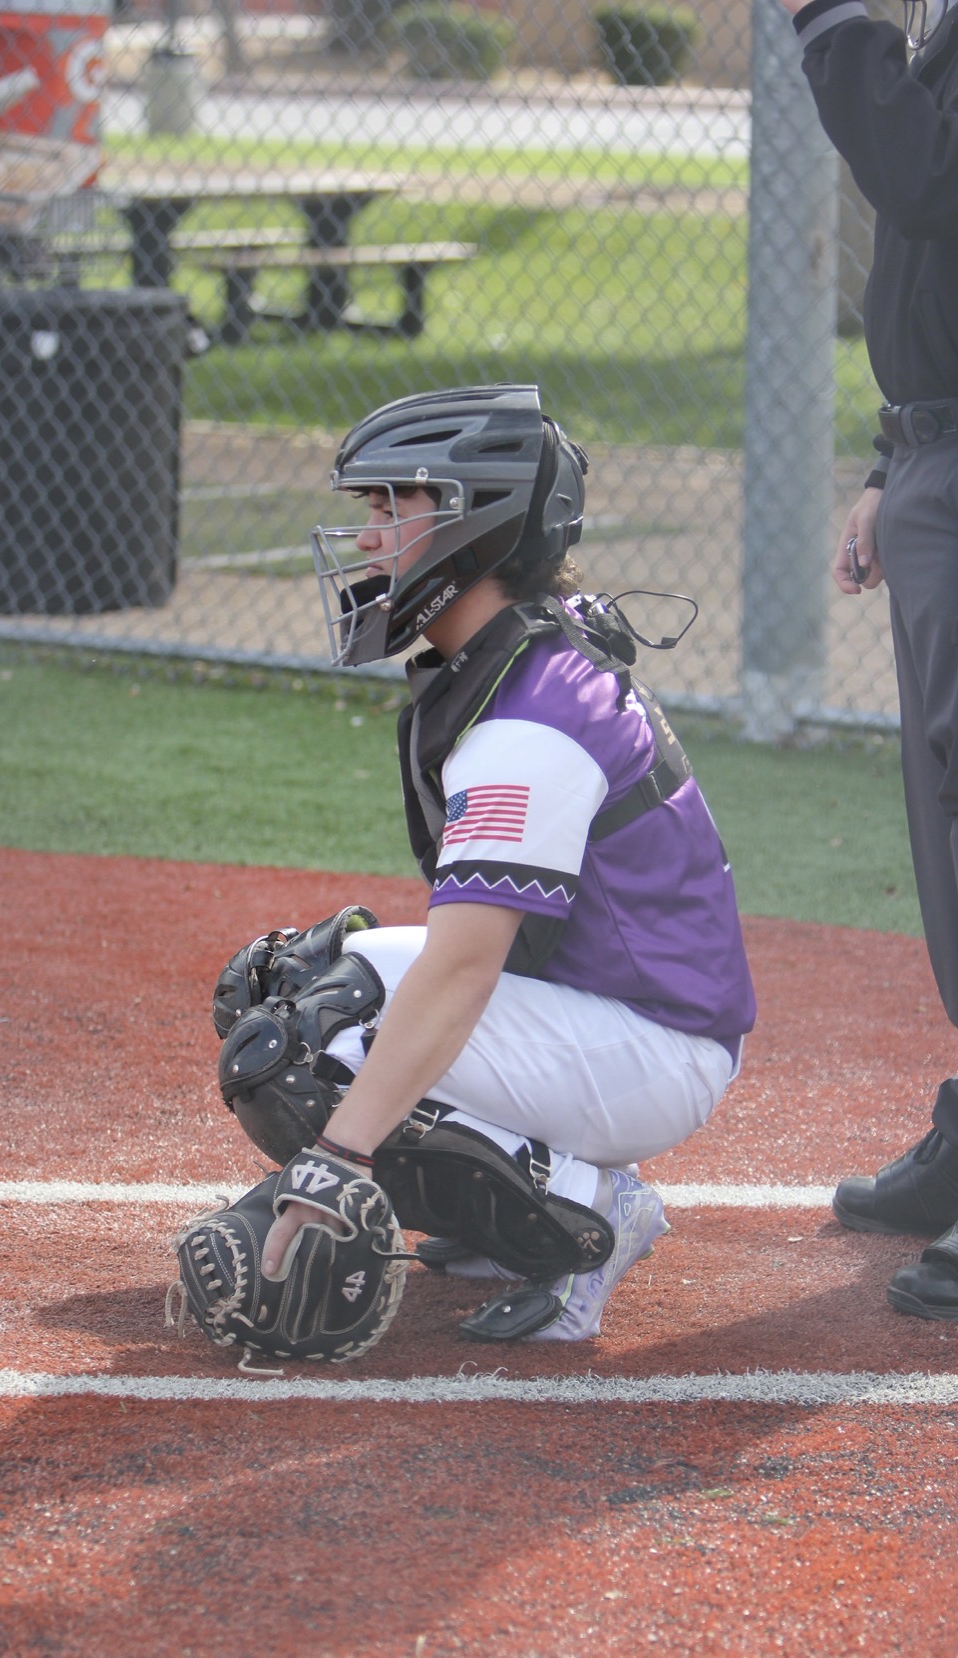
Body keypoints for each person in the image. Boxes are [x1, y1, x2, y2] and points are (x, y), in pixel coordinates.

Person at [214, 384, 756, 1343]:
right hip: (611, 1011)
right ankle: (507, 1205)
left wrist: (335, 1160)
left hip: (653, 1046)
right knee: (289, 983)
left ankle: (585, 1213)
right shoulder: (520, 653)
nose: (368, 537)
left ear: (477, 526)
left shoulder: (532, 721)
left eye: (393, 507)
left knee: (310, 1048)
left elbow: (465, 966)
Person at [779, 0, 958, 1318]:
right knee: (945, 821)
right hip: (939, 454)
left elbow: (924, 176)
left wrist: (832, 17)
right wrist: (899, 458)